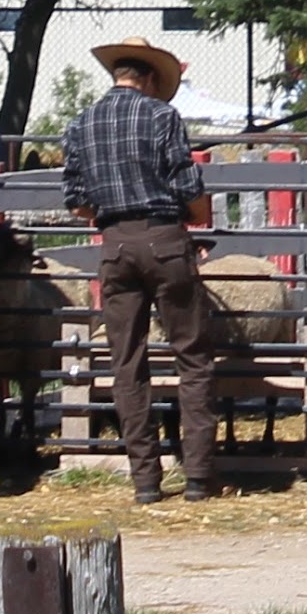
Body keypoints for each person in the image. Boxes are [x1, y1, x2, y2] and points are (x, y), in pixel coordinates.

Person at [61, 36, 217, 504]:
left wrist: (115, 215)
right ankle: (198, 477)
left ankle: (145, 481)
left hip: (115, 244)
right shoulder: (161, 116)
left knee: (126, 363)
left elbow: (77, 202)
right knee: (192, 356)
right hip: (164, 238)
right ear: (148, 77)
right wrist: (193, 215)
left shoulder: (80, 123)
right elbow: (187, 185)